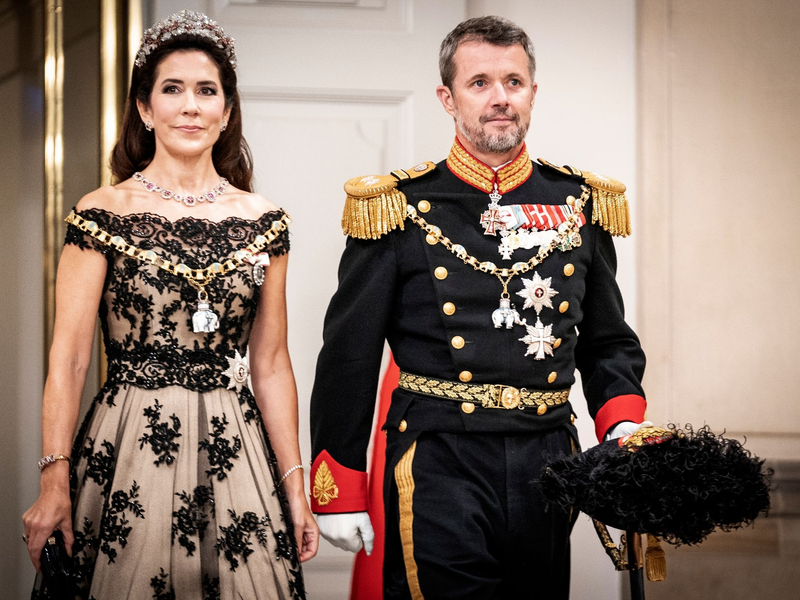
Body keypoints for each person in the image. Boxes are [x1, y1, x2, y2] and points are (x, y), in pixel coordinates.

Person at [310, 15, 648, 599]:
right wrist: (339, 486)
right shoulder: (398, 206)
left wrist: (622, 431)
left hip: (550, 456)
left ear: (533, 93)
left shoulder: (578, 201)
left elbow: (607, 341)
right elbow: (349, 354)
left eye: (514, 82)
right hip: (440, 455)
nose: (500, 99)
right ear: (448, 97)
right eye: (480, 83)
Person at [22, 10, 317, 599]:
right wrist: (55, 477)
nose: (190, 106)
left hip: (237, 448)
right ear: (144, 108)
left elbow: (273, 365)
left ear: (226, 110)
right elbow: (70, 359)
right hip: (129, 439)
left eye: (207, 91)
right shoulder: (102, 212)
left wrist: (296, 488)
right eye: (172, 89)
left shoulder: (265, 222)